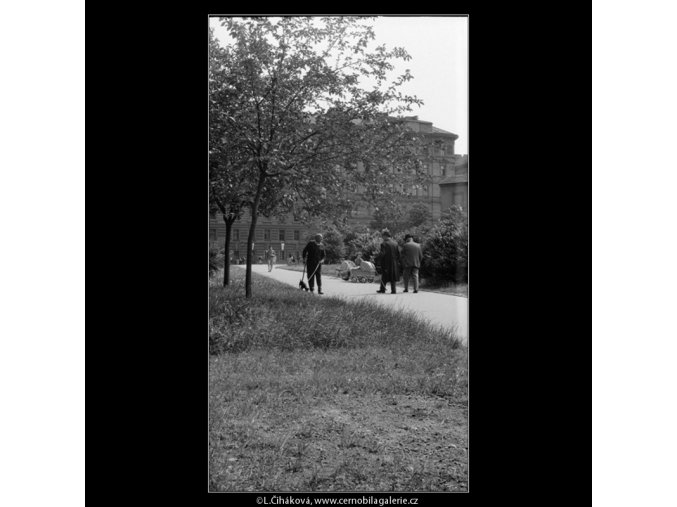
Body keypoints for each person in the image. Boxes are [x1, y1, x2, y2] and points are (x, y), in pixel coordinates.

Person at [376, 229, 401, 294]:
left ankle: (382, 289)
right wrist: (396, 261)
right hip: (394, 263)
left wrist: (377, 260)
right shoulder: (395, 243)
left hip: (386, 263)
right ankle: (393, 290)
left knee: (384, 276)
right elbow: (398, 254)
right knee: (393, 276)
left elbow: (382, 253)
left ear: (385, 236)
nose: (382, 237)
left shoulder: (384, 244)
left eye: (382, 236)